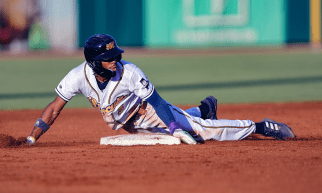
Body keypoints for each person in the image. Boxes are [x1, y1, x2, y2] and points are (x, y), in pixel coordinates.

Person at [26, 34, 296, 145]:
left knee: (199, 132)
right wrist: (32, 137)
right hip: (131, 126)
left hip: (151, 112)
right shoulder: (77, 77)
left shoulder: (130, 73)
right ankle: (203, 109)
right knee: (185, 129)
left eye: (116, 55)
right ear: (95, 63)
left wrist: (174, 127)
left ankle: (260, 127)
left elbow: (158, 102)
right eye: (109, 57)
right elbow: (54, 108)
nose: (116, 59)